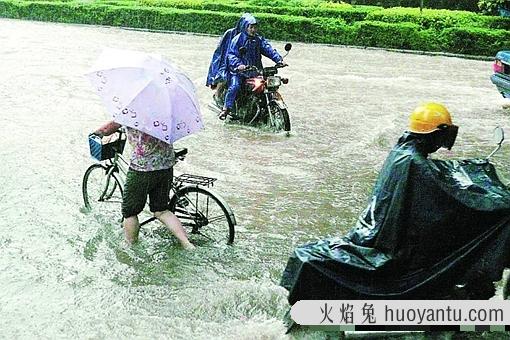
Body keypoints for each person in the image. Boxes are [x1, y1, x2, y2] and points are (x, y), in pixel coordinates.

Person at [93, 121, 195, 249]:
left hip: (142, 168)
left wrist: (97, 133)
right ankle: (186, 243)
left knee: (130, 212)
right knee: (162, 211)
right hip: (166, 164)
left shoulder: (133, 109)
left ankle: (130, 245)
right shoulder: (164, 110)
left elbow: (108, 128)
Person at [219, 14, 286, 120]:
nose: (253, 30)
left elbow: (268, 49)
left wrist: (278, 59)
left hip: (255, 71)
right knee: (235, 86)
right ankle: (226, 109)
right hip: (239, 72)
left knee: (267, 85)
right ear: (246, 27)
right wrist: (239, 65)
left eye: (255, 27)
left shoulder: (258, 40)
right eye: (251, 27)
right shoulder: (238, 40)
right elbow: (231, 55)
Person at [206, 13, 251, 104]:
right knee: (224, 76)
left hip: (244, 63)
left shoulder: (251, 36)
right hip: (228, 61)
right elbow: (222, 49)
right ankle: (218, 96)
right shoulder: (230, 33)